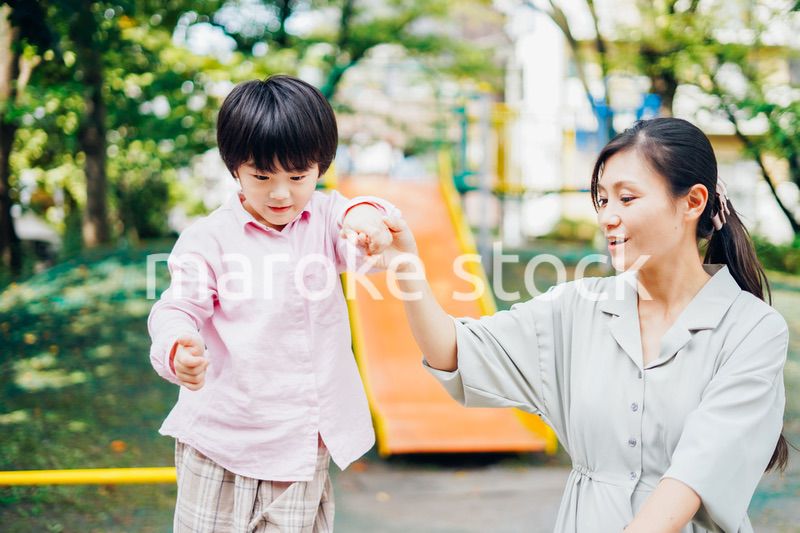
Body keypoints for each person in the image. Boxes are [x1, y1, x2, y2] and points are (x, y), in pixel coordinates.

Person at [382, 117, 789, 532]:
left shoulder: (754, 330)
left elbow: (694, 473)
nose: (607, 217)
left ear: (693, 201)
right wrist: (405, 264)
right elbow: (455, 351)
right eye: (602, 200)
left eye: (626, 199)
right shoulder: (578, 308)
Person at [148, 75, 398, 532]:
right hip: (221, 439)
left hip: (299, 443)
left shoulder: (324, 219)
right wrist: (177, 345)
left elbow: (356, 217)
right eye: (262, 177)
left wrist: (368, 220)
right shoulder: (209, 239)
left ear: (319, 168)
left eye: (298, 177)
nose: (281, 193)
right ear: (235, 170)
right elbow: (177, 307)